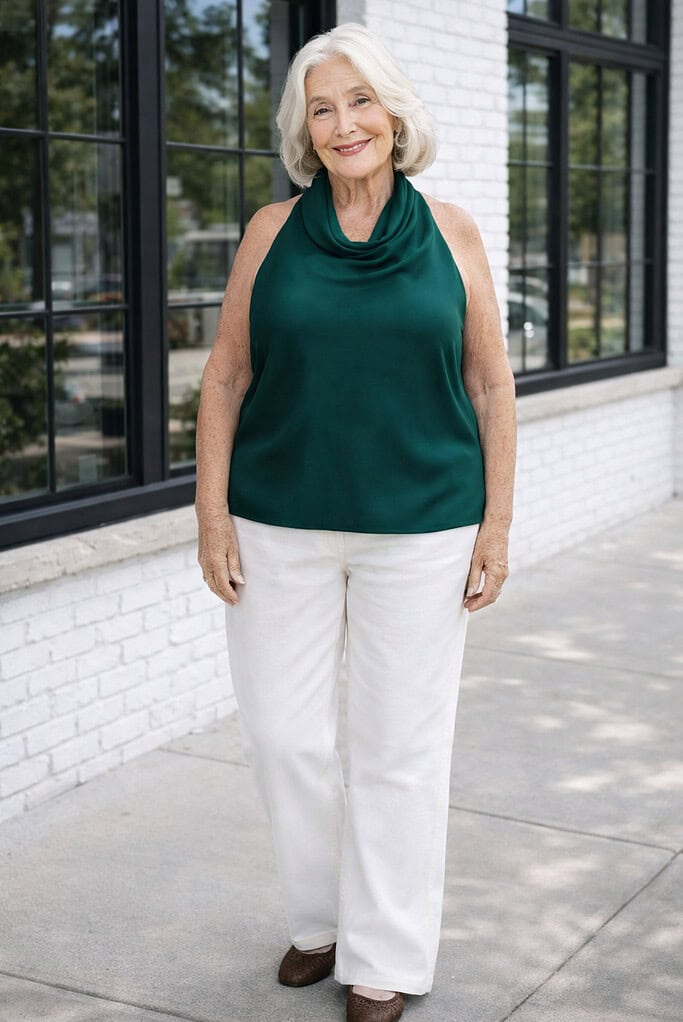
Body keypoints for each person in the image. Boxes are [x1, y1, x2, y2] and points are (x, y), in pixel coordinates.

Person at [195, 21, 516, 1022]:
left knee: (397, 749)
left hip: (422, 528)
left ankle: (382, 956)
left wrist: (495, 525)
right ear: (305, 130)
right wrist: (210, 514)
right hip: (276, 522)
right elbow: (226, 375)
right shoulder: (268, 231)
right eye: (322, 109)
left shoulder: (453, 232)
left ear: (393, 112)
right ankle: (318, 920)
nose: (344, 124)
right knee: (283, 739)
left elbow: (488, 382)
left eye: (360, 101)